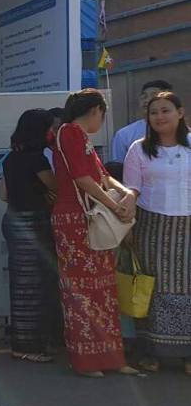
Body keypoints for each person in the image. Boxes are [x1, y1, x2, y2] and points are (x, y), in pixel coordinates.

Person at [50, 88, 140, 377]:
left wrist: (127, 194)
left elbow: (103, 176)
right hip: (77, 217)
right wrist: (116, 205)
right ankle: (88, 360)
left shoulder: (77, 135)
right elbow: (83, 179)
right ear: (95, 111)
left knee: (102, 287)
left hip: (87, 215)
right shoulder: (70, 133)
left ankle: (109, 358)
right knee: (83, 289)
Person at [123, 92, 191, 373]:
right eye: (154, 113)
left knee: (187, 288)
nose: (159, 117)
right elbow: (131, 189)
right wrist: (127, 222)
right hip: (151, 227)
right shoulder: (138, 149)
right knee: (151, 288)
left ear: (180, 113)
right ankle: (150, 353)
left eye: (165, 110)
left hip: (187, 227)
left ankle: (188, 355)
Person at [0, 109, 61, 363]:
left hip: (13, 220)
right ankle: (30, 345)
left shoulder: (10, 158)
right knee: (35, 287)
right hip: (33, 223)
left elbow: (3, 194)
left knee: (21, 285)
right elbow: (56, 187)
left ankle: (22, 343)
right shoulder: (38, 159)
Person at [111, 80, 173, 164]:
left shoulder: (184, 134)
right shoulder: (124, 135)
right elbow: (118, 167)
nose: (147, 100)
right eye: (144, 97)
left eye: (153, 96)